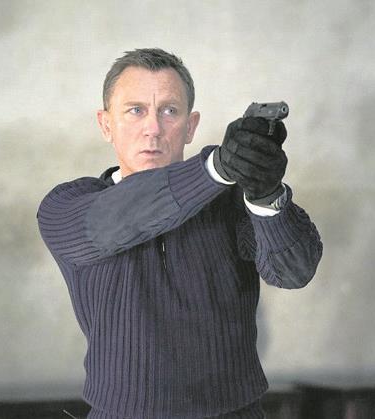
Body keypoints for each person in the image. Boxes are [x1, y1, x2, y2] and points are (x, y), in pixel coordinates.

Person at [37, 48, 322, 419]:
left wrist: (265, 193)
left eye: (169, 111)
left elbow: (293, 271)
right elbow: (114, 220)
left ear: (190, 126)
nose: (153, 128)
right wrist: (216, 168)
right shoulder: (66, 206)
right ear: (105, 125)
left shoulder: (233, 201)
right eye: (135, 110)